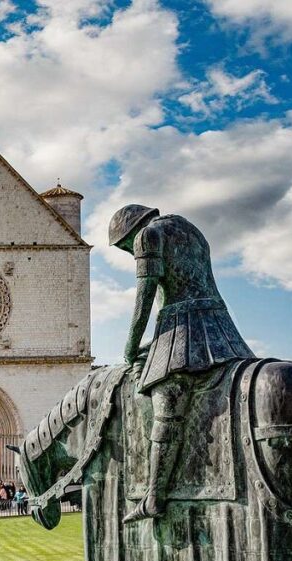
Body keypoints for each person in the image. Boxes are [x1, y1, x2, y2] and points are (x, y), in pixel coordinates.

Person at [109, 205, 255, 523]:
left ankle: (153, 497)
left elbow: (144, 299)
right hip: (217, 325)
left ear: (130, 233)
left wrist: (131, 347)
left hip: (185, 327)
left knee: (166, 401)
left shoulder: (148, 236)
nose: (128, 252)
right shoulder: (189, 229)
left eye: (123, 247)